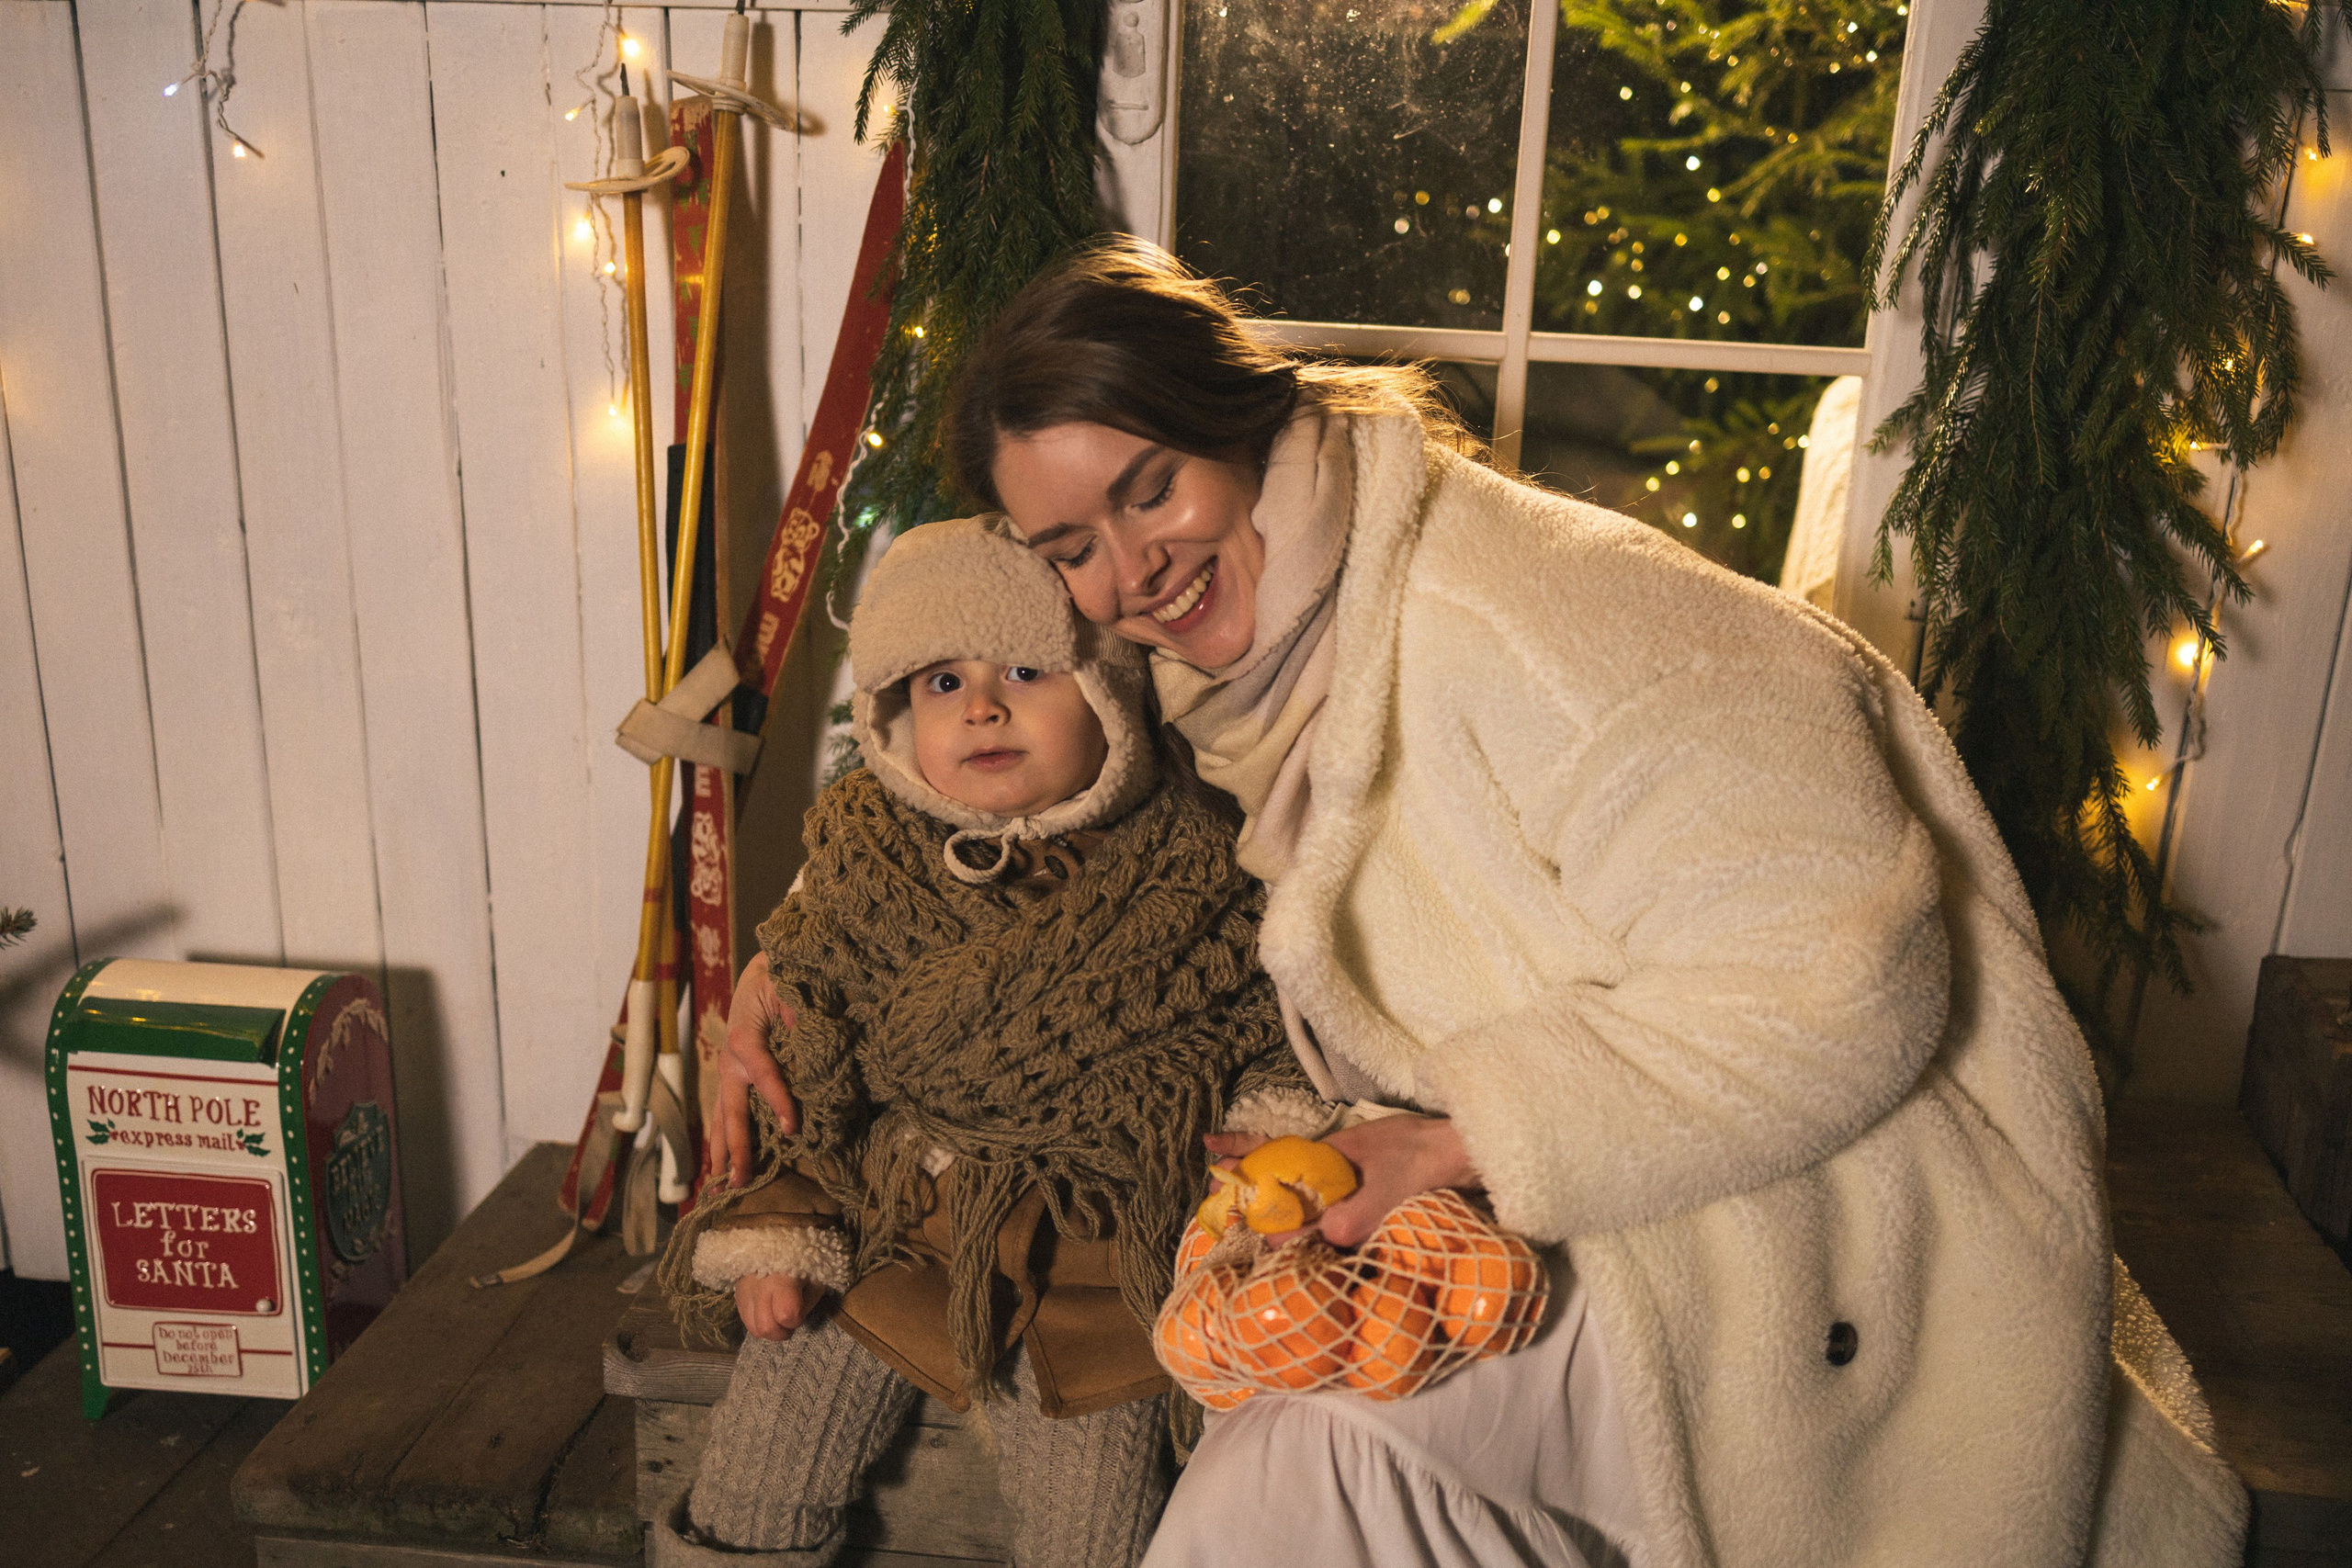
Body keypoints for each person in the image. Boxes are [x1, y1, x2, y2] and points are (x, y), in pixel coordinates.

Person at [711, 243, 2247, 1566]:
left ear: (1241, 419)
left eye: (1148, 490)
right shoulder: (1261, 676)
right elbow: (1059, 878)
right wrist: (784, 968)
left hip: (1815, 1243)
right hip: (1605, 1210)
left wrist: (1449, 1137)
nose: (1131, 573)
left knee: (1300, 1467)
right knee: (1311, 1442)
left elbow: (1847, 979)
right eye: (1071, 550)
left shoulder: (1539, 614)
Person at [660, 517, 1318, 1568]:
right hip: (893, 1239)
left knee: (1096, 1527)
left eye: (1024, 669)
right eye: (936, 682)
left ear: (1111, 695)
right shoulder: (858, 877)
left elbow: (1263, 1048)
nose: (981, 705)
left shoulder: (1196, 882)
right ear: (887, 719)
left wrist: (1266, 1186)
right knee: (761, 1455)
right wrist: (779, 1236)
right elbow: (802, 1085)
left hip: (1097, 1271)